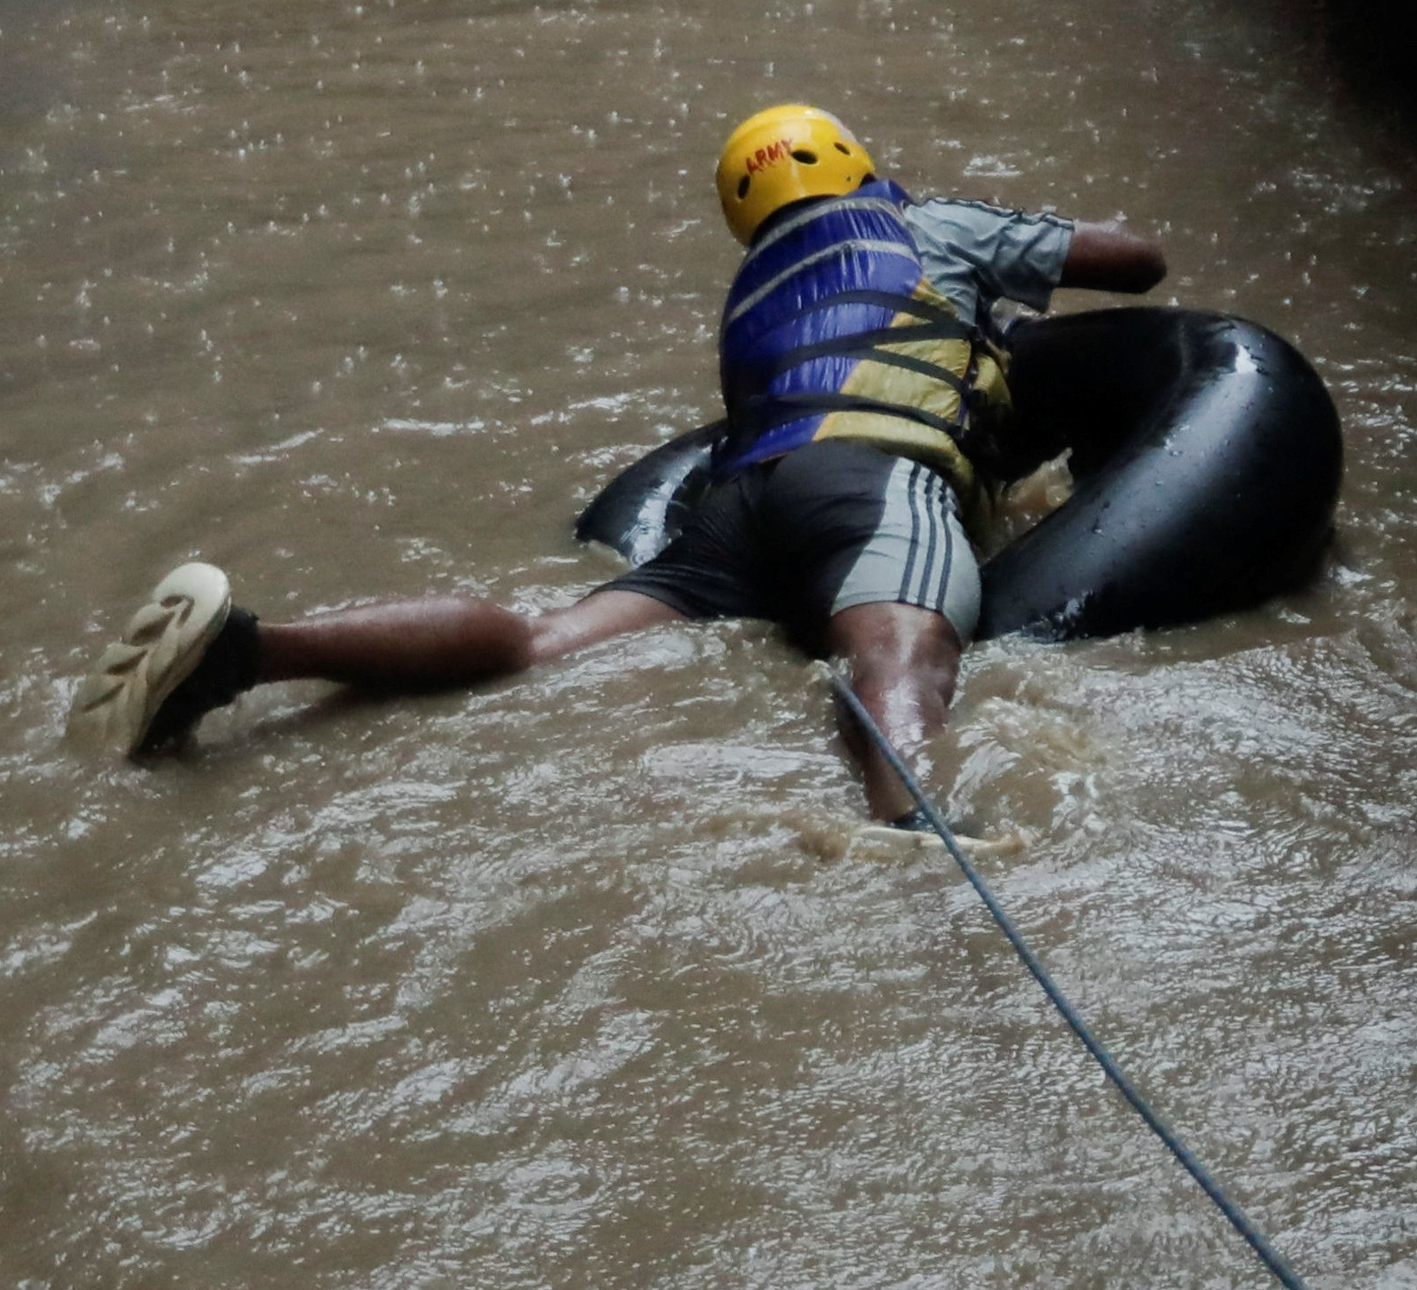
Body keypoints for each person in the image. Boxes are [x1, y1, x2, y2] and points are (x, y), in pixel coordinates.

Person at [72, 105, 1169, 817]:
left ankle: (253, 650)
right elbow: (1137, 263)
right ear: (855, 166)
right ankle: (926, 845)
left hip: (739, 511)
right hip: (875, 480)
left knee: (545, 639)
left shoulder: (749, 299)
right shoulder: (929, 227)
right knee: (902, 657)